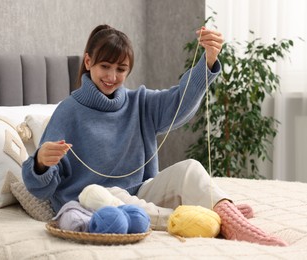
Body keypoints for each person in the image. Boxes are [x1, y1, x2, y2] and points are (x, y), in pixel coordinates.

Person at [22, 24, 287, 246]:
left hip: (142, 193)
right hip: (94, 202)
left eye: (121, 69)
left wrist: (208, 60)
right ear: (88, 61)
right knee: (109, 191)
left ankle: (227, 219)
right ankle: (205, 217)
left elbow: (179, 102)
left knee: (190, 169)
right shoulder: (68, 111)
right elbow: (40, 187)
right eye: (105, 66)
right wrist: (41, 163)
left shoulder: (140, 103)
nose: (112, 76)